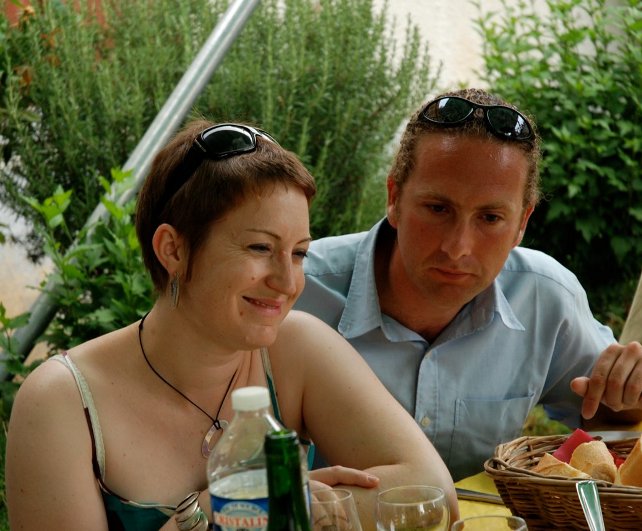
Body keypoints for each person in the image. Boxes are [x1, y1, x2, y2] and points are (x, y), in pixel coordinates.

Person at [5, 120, 457, 530]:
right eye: (260, 248)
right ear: (173, 250)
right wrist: (209, 515)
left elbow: (432, 493)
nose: (287, 283)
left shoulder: (296, 347)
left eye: (299, 253)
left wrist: (287, 504)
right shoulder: (62, 402)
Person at [295, 88, 642, 481]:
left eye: (490, 218)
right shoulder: (296, 291)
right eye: (438, 209)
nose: (458, 247)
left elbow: (609, 419)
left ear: (522, 223)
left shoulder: (545, 297)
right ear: (394, 198)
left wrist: (630, 389)